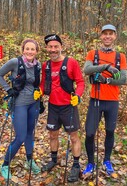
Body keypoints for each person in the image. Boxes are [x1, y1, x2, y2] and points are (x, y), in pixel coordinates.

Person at [34, 34, 85, 182]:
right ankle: (54, 159)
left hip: (69, 106)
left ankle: (76, 165)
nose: (53, 49)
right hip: (53, 106)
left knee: (74, 137)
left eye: (56, 46)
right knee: (52, 135)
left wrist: (79, 96)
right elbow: (44, 83)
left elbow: (80, 82)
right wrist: (40, 91)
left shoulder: (71, 63)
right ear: (46, 48)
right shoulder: (46, 65)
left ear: (61, 47)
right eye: (50, 47)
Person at [82, 24, 127, 176]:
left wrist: (105, 81)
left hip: (112, 101)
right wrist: (106, 67)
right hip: (96, 99)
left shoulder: (120, 57)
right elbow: (87, 70)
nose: (107, 36)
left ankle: (107, 160)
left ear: (115, 36)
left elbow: (123, 79)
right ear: (100, 36)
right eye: (105, 34)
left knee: (110, 131)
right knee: (89, 133)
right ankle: (90, 163)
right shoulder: (92, 53)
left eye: (111, 34)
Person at [0, 38, 41, 180]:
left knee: (29, 133)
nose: (29, 51)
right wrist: (8, 89)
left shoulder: (38, 65)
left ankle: (29, 160)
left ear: (37, 51)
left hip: (34, 103)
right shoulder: (15, 62)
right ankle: (5, 165)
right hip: (20, 104)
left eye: (32, 49)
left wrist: (40, 94)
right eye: (27, 48)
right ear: (23, 49)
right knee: (20, 136)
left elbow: (38, 83)